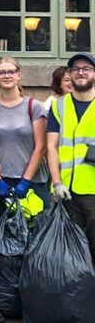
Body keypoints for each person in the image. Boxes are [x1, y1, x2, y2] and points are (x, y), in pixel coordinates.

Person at [0, 57, 50, 210]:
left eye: (11, 71)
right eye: (2, 72)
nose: (7, 76)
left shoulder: (34, 107)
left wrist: (26, 180)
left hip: (34, 181)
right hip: (4, 180)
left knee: (37, 231)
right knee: (5, 231)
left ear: (19, 75)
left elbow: (41, 146)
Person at [47, 52, 95, 260]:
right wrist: (57, 183)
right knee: (71, 252)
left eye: (87, 69)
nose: (81, 73)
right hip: (67, 191)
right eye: (75, 69)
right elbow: (52, 147)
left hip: (93, 190)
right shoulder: (58, 106)